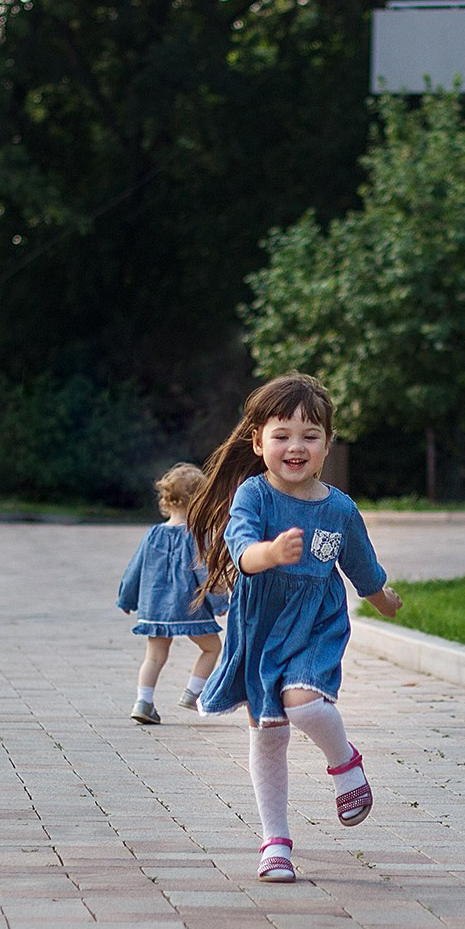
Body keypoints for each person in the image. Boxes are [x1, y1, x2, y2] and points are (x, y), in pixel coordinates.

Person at [192, 373, 402, 883]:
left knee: (304, 704)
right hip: (260, 624)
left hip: (315, 623)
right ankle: (275, 844)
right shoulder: (253, 497)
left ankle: (345, 762)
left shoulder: (338, 508)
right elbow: (241, 549)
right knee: (269, 732)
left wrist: (381, 597)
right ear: (258, 441)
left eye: (310, 435)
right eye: (282, 434)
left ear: (328, 443)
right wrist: (270, 553)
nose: (295, 446)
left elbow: (360, 565)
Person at [117, 462, 226, 724]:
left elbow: (135, 569)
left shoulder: (153, 534)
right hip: (188, 606)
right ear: (199, 501)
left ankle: (143, 703)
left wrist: (126, 598)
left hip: (155, 607)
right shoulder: (196, 536)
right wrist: (220, 602)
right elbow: (204, 573)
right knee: (212, 648)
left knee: (154, 656)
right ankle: (192, 692)